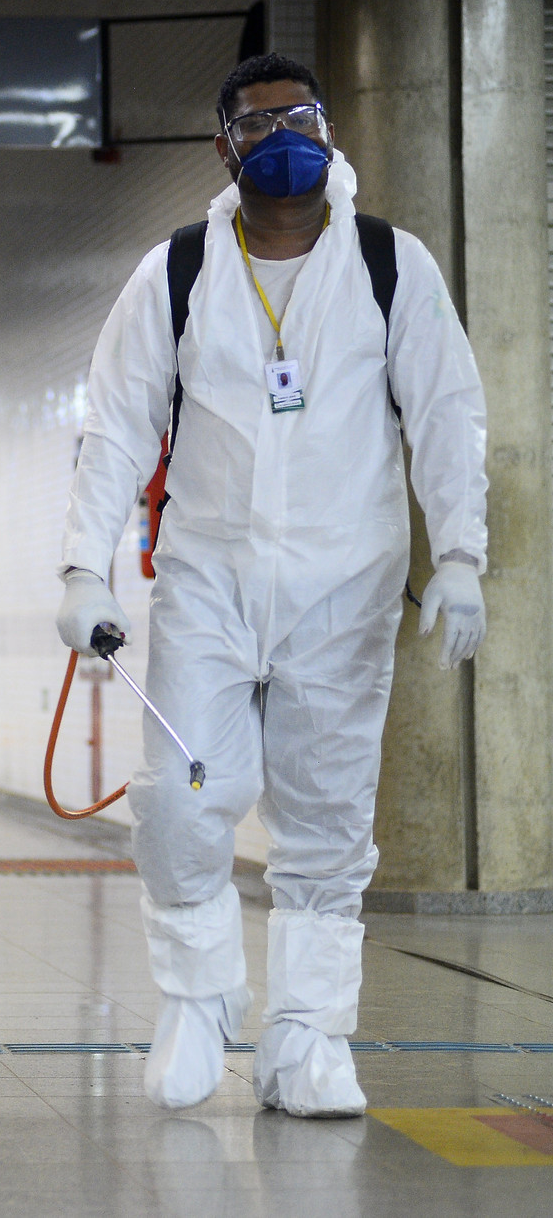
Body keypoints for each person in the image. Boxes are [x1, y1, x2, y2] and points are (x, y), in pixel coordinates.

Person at [56, 55, 487, 1117]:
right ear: (223, 147)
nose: (281, 133)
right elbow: (114, 426)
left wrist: (462, 555)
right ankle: (197, 1000)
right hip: (208, 580)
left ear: (328, 130)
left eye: (299, 116)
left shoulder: (390, 265)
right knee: (177, 800)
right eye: (257, 122)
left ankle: (305, 1041)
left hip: (344, 589)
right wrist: (80, 563)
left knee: (326, 821)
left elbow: (444, 414)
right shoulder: (177, 270)